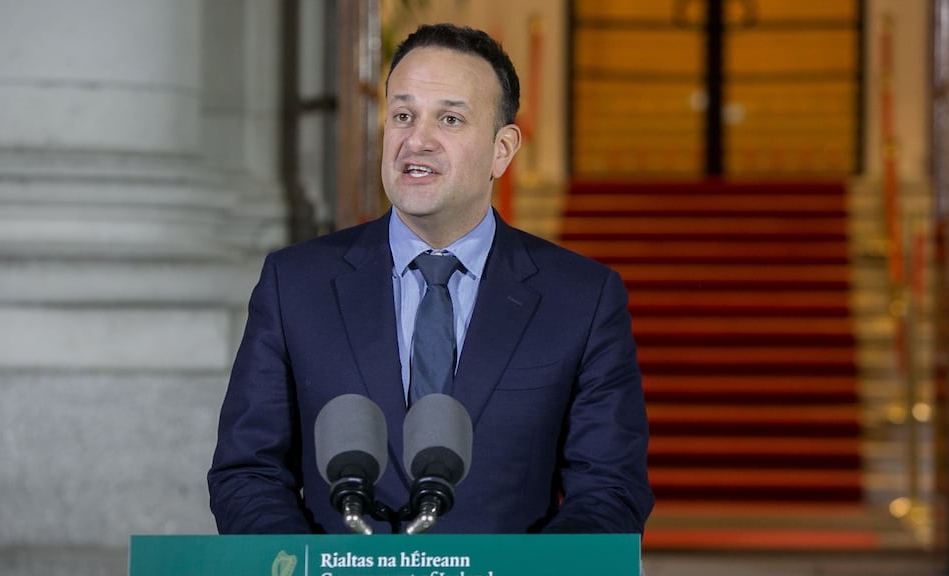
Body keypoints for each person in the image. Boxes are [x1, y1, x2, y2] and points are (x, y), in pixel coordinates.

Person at [207, 23, 653, 534]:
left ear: (502, 149)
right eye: (402, 115)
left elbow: (610, 489)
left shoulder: (582, 299)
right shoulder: (294, 284)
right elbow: (248, 472)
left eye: (449, 118)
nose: (417, 140)